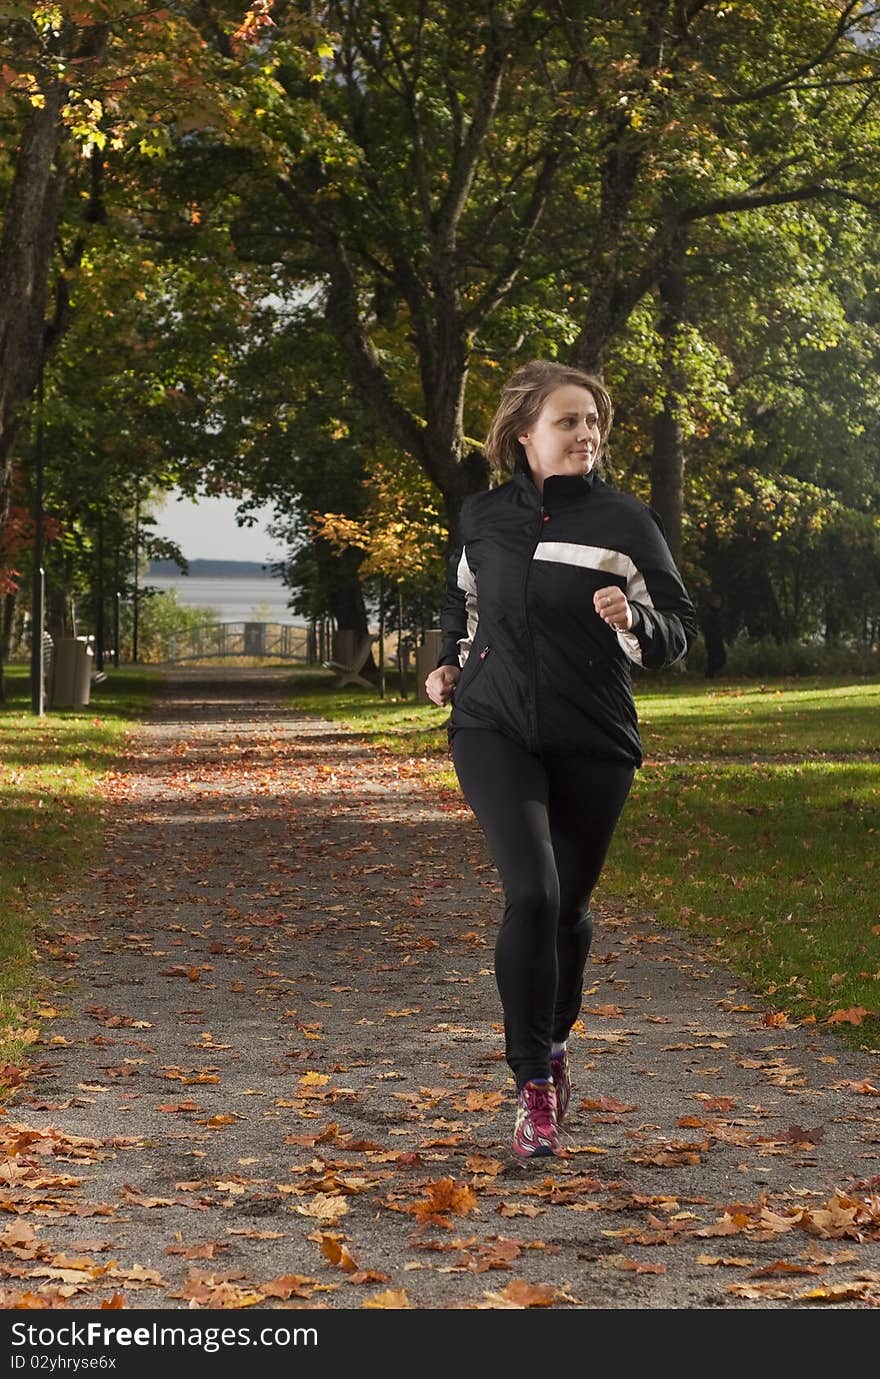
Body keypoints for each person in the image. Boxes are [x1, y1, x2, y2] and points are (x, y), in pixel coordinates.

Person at [424, 360, 697, 1159]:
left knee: (570, 910)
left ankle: (554, 1040)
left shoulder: (626, 522)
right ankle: (532, 1086)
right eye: (569, 421)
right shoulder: (483, 516)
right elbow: (465, 599)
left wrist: (632, 618)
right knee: (533, 895)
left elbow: (677, 629)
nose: (588, 435)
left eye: (593, 423)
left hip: (593, 735)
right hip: (492, 726)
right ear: (522, 434)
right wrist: (449, 660)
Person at [700, 591, 727, 678]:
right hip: (712, 639)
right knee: (715, 657)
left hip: (717, 639)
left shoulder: (716, 613)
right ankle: (709, 674)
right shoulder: (710, 613)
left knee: (717, 657)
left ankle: (710, 674)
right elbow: (708, 627)